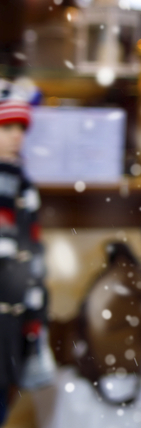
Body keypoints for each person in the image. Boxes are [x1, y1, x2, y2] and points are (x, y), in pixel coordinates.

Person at [0, 81, 50, 425]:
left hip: (15, 319)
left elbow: (30, 249)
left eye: (21, 127)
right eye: (7, 127)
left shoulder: (23, 184)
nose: (16, 135)